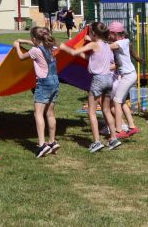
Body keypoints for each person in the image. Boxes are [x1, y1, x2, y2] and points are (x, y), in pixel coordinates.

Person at [59, 22, 121, 152]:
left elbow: (74, 51)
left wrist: (63, 47)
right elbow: (91, 58)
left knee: (91, 111)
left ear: (93, 33)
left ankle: (97, 141)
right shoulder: (107, 45)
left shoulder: (94, 44)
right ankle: (114, 138)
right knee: (106, 110)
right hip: (108, 80)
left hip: (98, 80)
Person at [14, 27, 60, 157]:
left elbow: (22, 57)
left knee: (38, 114)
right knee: (50, 113)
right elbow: (37, 43)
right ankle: (52, 142)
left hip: (44, 83)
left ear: (34, 39)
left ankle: (41, 144)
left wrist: (17, 46)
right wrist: (23, 40)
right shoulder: (51, 46)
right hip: (55, 81)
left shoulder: (34, 50)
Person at [108, 21, 143, 138]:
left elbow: (107, 47)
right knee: (121, 102)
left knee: (116, 101)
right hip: (129, 75)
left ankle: (119, 130)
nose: (108, 35)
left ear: (114, 33)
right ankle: (132, 126)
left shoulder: (121, 42)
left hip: (128, 76)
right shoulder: (124, 41)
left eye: (109, 33)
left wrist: (94, 42)